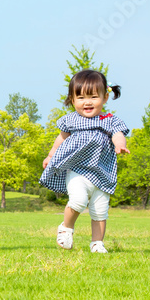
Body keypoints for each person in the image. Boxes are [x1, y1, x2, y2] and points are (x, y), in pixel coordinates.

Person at [39, 69, 129, 253]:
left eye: (94, 97)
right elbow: (60, 140)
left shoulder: (109, 120)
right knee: (78, 200)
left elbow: (118, 135)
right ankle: (66, 228)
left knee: (100, 210)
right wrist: (50, 156)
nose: (87, 102)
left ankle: (97, 243)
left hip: (103, 173)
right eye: (80, 98)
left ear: (105, 98)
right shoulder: (71, 120)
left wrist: (119, 144)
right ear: (72, 100)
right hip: (78, 170)